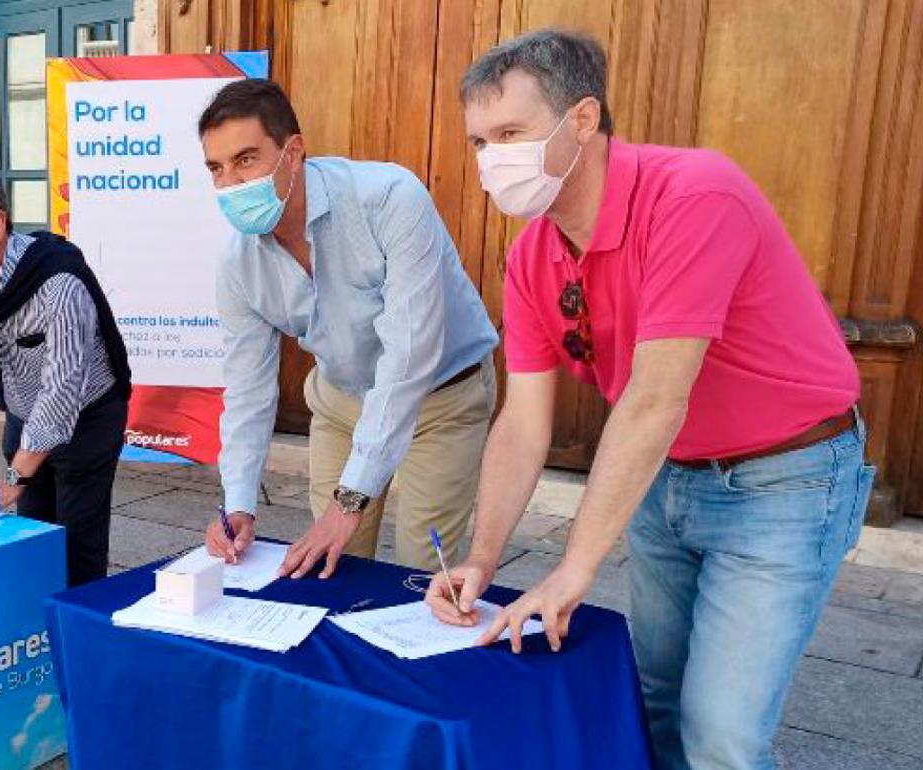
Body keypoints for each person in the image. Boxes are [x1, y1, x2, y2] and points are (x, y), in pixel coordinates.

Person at [425, 30, 874, 770]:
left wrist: (574, 568)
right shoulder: (531, 254)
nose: (489, 161)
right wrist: (480, 559)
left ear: (582, 119)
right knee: (655, 700)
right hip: (667, 480)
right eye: (478, 141)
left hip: (786, 480)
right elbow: (523, 421)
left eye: (510, 133)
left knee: (721, 734)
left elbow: (655, 398)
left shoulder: (694, 195)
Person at [199, 79, 500, 578]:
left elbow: (409, 355)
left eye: (246, 159)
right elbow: (247, 389)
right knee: (331, 562)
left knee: (421, 570)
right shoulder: (237, 263)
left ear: (293, 152)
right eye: (216, 168)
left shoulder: (388, 199)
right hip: (342, 401)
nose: (231, 182)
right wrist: (238, 508)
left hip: (440, 397)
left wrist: (350, 499)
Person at [0, 169, 132, 586]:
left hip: (88, 416)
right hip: (23, 415)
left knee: (77, 546)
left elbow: (63, 388)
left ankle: (79, 636)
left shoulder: (57, 283)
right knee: (32, 541)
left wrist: (15, 478)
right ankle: (37, 636)